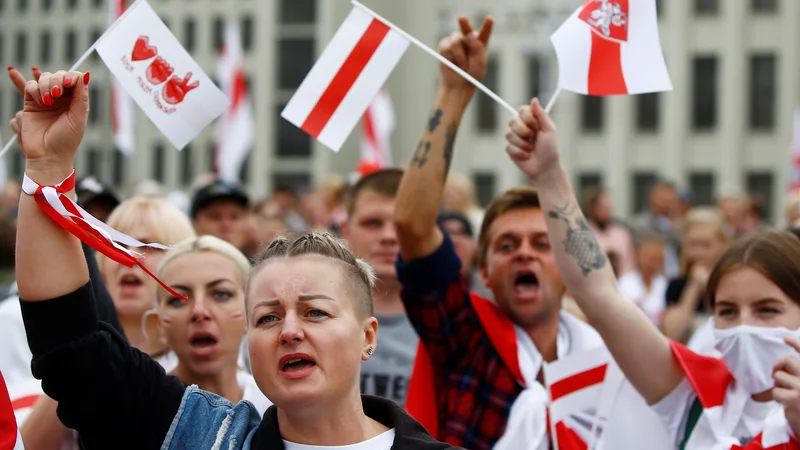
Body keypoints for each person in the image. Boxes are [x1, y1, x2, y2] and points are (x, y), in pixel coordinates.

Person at [15, 69, 458, 449]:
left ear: (367, 336)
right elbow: (74, 356)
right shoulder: (203, 436)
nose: (289, 331)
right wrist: (50, 166)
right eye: (266, 318)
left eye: (315, 312)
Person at [507, 96, 800, 449]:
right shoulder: (695, 397)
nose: (744, 326)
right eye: (727, 312)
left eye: (767, 310)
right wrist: (549, 174)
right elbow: (601, 297)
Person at [393, 17, 605, 450]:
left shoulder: (608, 357)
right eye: (507, 246)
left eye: (543, 244)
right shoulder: (465, 337)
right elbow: (413, 227)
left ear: (569, 268)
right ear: (484, 272)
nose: (524, 254)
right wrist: (454, 92)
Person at [146, 235, 271, 413]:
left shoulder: (278, 407)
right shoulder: (140, 413)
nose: (199, 311)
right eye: (178, 299)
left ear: (250, 312)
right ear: (158, 324)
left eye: (221, 294)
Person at [342, 169, 417, 407]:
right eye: (372, 223)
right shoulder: (306, 317)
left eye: (402, 223)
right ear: (346, 231)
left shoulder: (456, 325)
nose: (388, 236)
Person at [99, 196, 196, 359]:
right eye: (118, 245)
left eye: (147, 246)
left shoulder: (208, 371)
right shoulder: (68, 360)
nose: (129, 256)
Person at [661, 208, 729, 345]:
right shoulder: (676, 285)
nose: (699, 252)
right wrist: (694, 286)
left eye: (706, 245)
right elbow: (673, 335)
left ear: (722, 245)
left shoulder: (732, 283)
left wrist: (709, 288)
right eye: (693, 245)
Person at [583, 187, 636, 276]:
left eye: (609, 208)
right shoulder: (583, 233)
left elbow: (629, 264)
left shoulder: (622, 233)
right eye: (602, 207)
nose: (606, 211)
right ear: (592, 208)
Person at [617, 235, 668, 326]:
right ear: (638, 255)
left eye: (658, 259)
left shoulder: (664, 284)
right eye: (651, 258)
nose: (654, 263)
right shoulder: (624, 283)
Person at [191, 179, 249, 251]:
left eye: (234, 217)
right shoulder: (180, 261)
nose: (226, 225)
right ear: (195, 224)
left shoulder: (261, 261)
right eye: (215, 217)